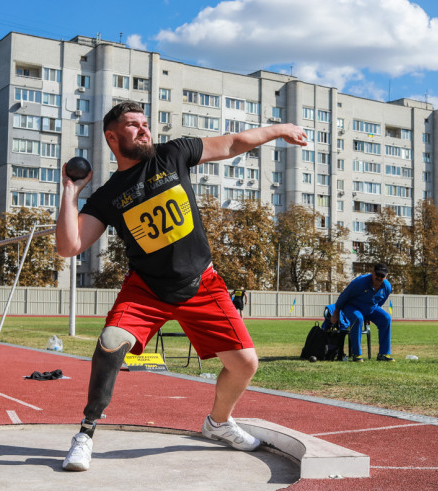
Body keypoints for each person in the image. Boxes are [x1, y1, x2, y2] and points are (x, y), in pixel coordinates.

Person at [56, 100, 307, 471]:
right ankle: (86, 433)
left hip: (202, 283)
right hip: (147, 290)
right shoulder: (108, 195)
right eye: (132, 124)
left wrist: (280, 129)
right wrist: (70, 192)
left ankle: (218, 423)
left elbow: (234, 142)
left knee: (245, 365)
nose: (143, 129)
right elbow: (69, 246)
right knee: (110, 343)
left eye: (145, 122)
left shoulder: (174, 153)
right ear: (112, 136)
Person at [330, 263, 394, 362]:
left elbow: (380, 302)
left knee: (386, 318)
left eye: (382, 276)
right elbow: (343, 296)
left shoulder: (387, 287)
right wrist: (336, 313)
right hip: (351, 306)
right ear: (372, 273)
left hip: (370, 307)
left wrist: (369, 315)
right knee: (358, 318)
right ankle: (357, 354)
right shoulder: (359, 282)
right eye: (377, 274)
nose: (379, 277)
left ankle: (383, 354)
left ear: (386, 276)